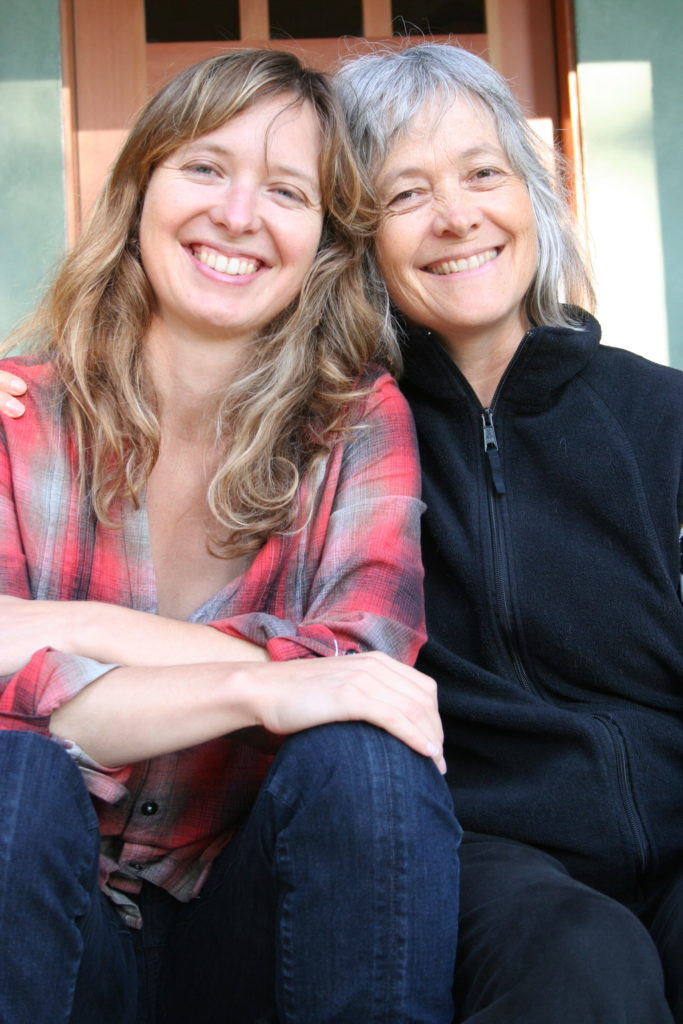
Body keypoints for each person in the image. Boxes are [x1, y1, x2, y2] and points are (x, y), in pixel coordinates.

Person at [0, 49, 462, 1024]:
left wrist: (58, 624)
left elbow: (355, 670)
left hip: (242, 926)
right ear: (139, 193)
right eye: (205, 167)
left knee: (363, 759)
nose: (239, 215)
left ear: (324, 243)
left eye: (285, 190)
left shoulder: (355, 424)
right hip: (44, 916)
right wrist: (261, 681)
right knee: (11, 778)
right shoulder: (17, 414)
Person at [334, 43, 683, 1023]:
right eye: (404, 194)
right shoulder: (344, 441)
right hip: (487, 857)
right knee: (582, 966)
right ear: (357, 240)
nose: (455, 217)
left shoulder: (660, 415)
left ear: (531, 194)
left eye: (482, 173)